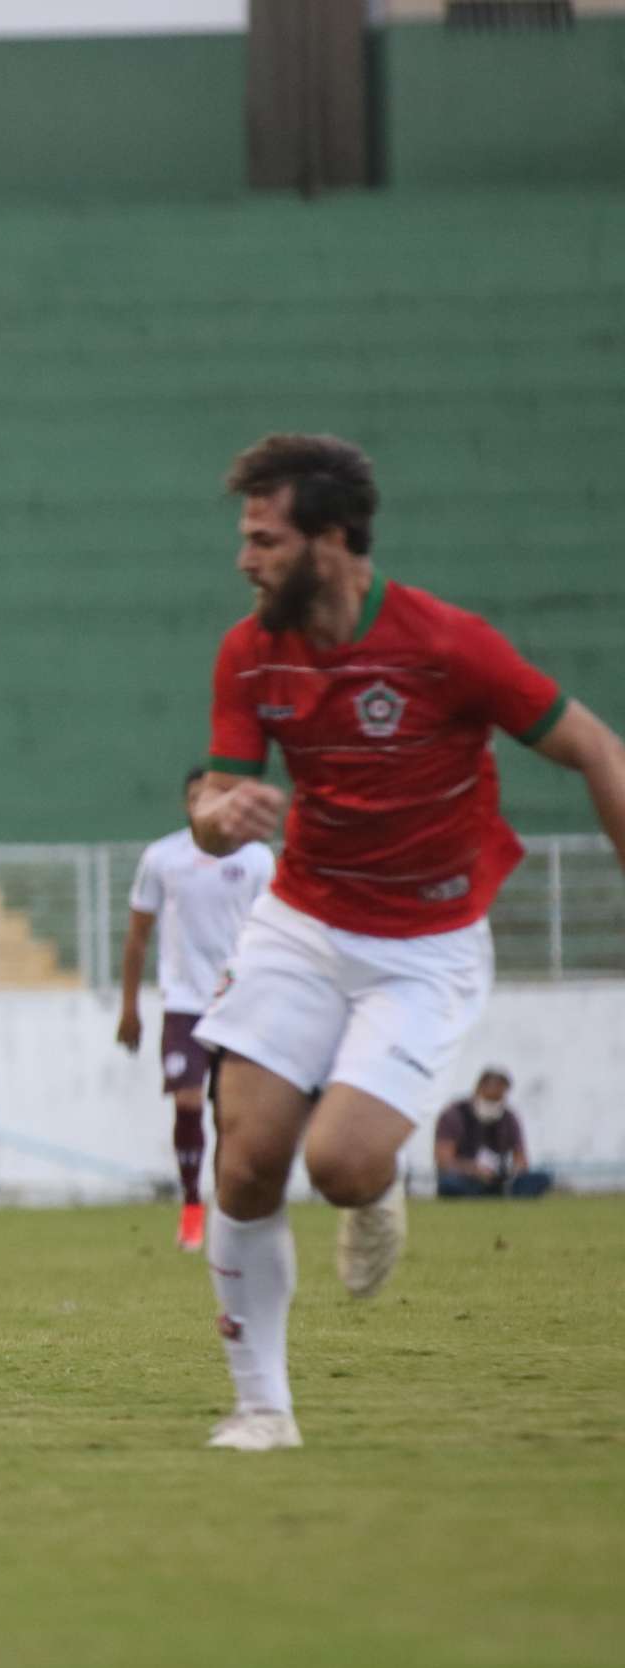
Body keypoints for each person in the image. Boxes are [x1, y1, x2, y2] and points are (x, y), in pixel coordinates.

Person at [188, 433, 625, 1451]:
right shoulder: (250, 650)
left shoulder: (446, 646)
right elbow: (211, 800)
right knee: (245, 1161)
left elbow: (595, 748)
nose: (245, 559)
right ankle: (262, 1410)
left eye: (264, 539)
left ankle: (374, 1190)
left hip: (425, 946)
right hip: (301, 925)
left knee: (338, 1163)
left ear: (332, 540)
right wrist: (221, 817)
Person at [116, 767, 274, 1252]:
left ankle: (226, 1211)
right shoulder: (163, 857)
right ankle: (190, 1206)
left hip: (238, 1003)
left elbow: (270, 934)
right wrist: (129, 1008)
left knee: (230, 1116)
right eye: (196, 797)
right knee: (186, 1101)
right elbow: (139, 936)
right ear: (188, 804)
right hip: (183, 1002)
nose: (204, 804)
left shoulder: (257, 859)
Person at [434, 1068, 552, 1198]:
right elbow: (444, 1161)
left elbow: (521, 1158)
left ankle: (502, 1192)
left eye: (499, 1099)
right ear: (478, 1090)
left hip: (498, 1178)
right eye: (490, 1098)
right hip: (466, 1178)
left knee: (542, 1178)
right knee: (450, 1184)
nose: (494, 1104)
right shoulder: (454, 1115)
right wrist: (474, 1170)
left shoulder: (509, 1117)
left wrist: (512, 1170)